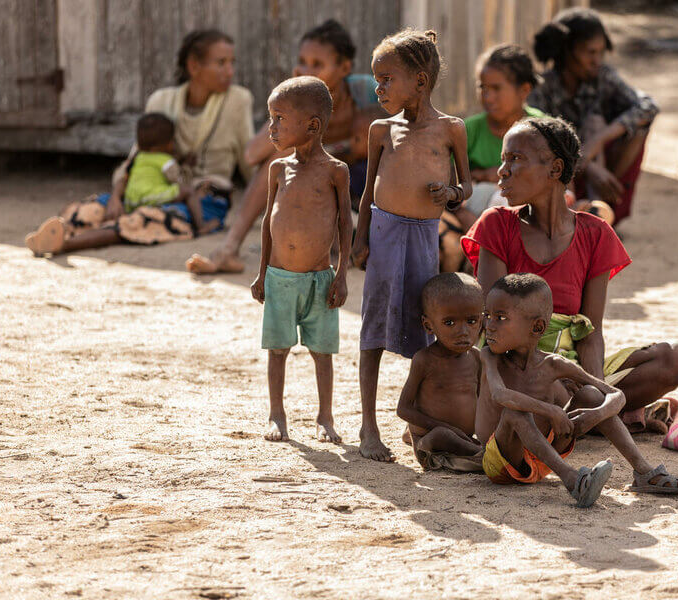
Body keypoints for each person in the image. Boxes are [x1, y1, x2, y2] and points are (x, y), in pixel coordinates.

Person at [463, 116, 678, 493]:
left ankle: (587, 420)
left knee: (676, 357)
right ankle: (579, 422)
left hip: (567, 366)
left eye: (515, 159)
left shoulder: (595, 233)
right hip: (512, 368)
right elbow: (494, 326)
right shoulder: (496, 224)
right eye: (503, 160)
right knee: (556, 389)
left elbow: (590, 331)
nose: (502, 172)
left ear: (554, 168)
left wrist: (597, 393)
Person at [350, 29, 473, 462]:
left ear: (420, 82)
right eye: (376, 80)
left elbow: (467, 186)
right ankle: (368, 425)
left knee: (425, 325)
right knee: (374, 327)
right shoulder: (381, 130)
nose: (378, 88)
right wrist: (359, 238)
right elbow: (367, 193)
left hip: (423, 238)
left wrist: (452, 195)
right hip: (384, 235)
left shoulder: (451, 129)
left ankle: (419, 423)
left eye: (387, 79)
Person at [25, 29, 253, 255]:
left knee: (144, 220)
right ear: (194, 66)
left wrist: (270, 203)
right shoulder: (161, 101)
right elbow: (135, 161)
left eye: (232, 63)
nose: (230, 71)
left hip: (204, 202)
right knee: (92, 209)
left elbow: (250, 160)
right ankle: (54, 233)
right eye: (221, 63)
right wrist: (116, 197)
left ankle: (66, 245)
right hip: (154, 192)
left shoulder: (238, 101)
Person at [187, 19, 380, 274]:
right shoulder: (296, 98)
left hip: (363, 189)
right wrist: (294, 106)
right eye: (301, 62)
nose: (305, 70)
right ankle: (229, 248)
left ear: (344, 67)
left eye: (317, 65)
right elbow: (252, 153)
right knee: (283, 157)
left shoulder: (366, 91)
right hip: (318, 195)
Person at [250, 77, 352, 444]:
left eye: (278, 119)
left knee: (321, 353)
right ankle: (277, 415)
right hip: (279, 278)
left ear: (312, 125)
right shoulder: (278, 169)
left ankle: (325, 417)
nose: (272, 128)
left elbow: (344, 223)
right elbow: (268, 223)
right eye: (270, 118)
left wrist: (341, 275)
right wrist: (261, 274)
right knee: (277, 351)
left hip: (319, 280)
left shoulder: (335, 171)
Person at [478, 273, 621, 507]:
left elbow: (616, 394)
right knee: (514, 412)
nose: (489, 326)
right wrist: (551, 411)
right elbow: (500, 395)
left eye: (500, 318)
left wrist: (596, 414)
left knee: (591, 395)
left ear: (537, 327)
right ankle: (574, 480)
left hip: (544, 457)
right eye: (488, 316)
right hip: (502, 461)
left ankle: (645, 471)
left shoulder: (553, 363)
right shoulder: (489, 356)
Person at [528, 8, 657, 224]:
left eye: (600, 52)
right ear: (567, 51)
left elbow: (648, 106)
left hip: (606, 175)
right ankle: (572, 213)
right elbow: (535, 139)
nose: (597, 60)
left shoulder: (603, 78)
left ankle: (601, 211)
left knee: (611, 125)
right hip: (563, 178)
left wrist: (599, 140)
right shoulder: (542, 88)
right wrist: (587, 165)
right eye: (590, 52)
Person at [439, 44, 548, 273]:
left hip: (530, 221)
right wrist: (461, 211)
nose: (487, 96)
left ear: (524, 90)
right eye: (482, 87)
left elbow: (563, 186)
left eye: (496, 88)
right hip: (469, 217)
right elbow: (446, 181)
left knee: (596, 211)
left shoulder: (544, 130)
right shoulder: (466, 130)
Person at [396, 273, 485, 472]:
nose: (463, 331)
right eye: (450, 323)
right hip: (432, 442)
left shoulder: (477, 358)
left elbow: (483, 400)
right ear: (428, 325)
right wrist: (446, 428)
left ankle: (477, 450)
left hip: (466, 437)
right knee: (442, 435)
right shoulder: (425, 360)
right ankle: (481, 455)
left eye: (471, 321)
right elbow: (403, 409)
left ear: (481, 321)